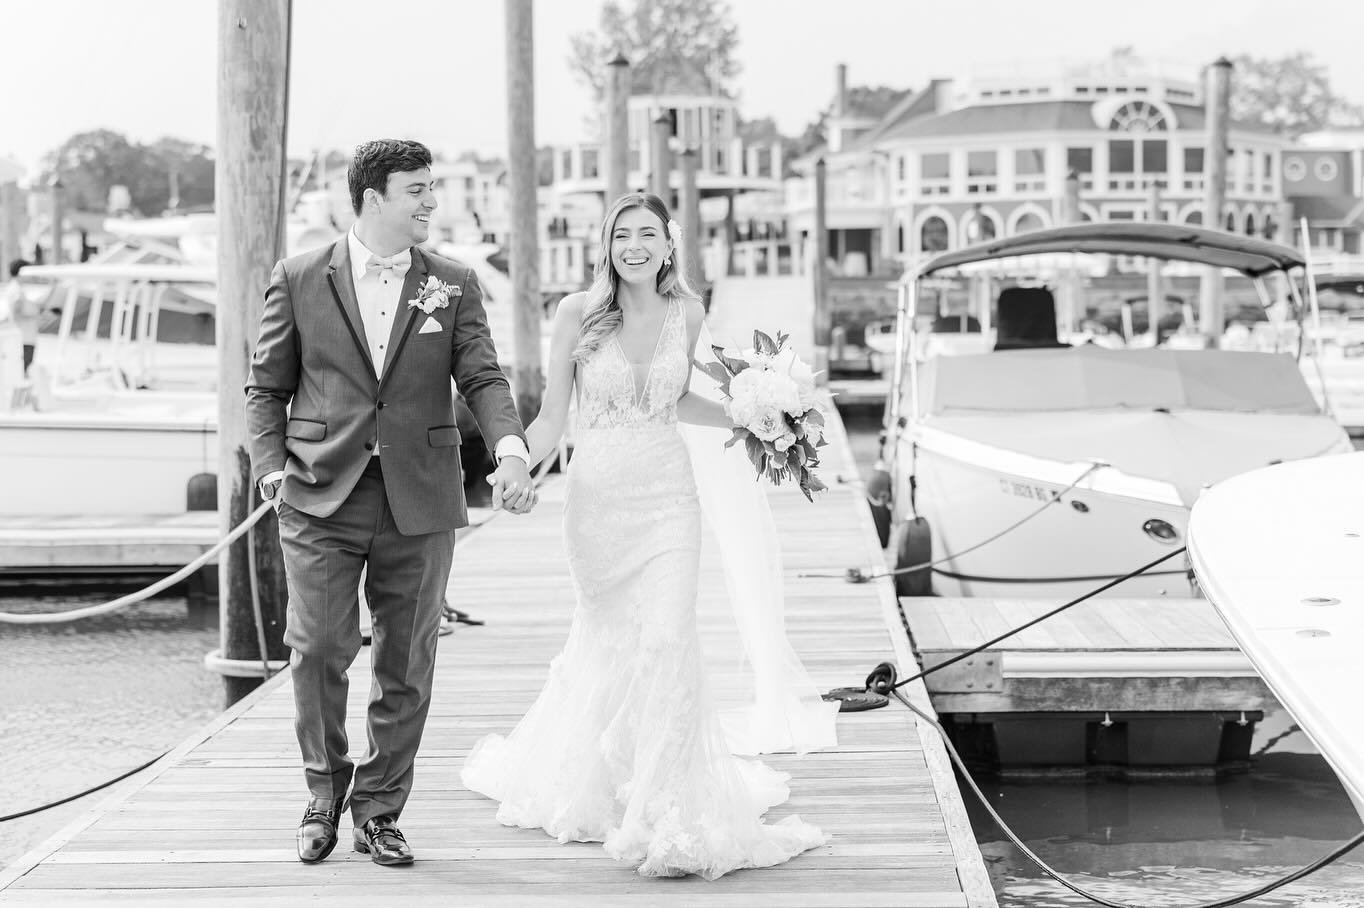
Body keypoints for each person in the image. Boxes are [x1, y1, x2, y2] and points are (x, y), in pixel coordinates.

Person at [460, 192, 827, 879]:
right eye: (622, 234)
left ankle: (666, 810)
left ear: (667, 245)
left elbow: (678, 397)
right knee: (610, 641)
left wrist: (752, 420)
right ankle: (608, 773)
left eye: (647, 234)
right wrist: (514, 462)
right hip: (597, 502)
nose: (634, 245)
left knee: (667, 640)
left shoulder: (686, 312)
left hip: (667, 499)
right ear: (607, 244)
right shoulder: (576, 314)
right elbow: (549, 418)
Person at [245, 139, 536, 867]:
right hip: (318, 494)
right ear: (373, 196)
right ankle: (323, 793)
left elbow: (485, 377)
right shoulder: (300, 275)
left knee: (407, 660)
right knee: (316, 651)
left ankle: (379, 809)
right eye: (417, 190)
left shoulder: (455, 282)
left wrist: (510, 449)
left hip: (421, 495)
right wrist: (272, 472)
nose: (430, 202)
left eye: (431, 188)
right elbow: (266, 390)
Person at [1, 260, 40, 375]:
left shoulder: (15, 288)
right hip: (24, 336)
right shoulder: (16, 289)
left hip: (23, 335)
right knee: (23, 371)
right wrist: (34, 311)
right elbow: (16, 311)